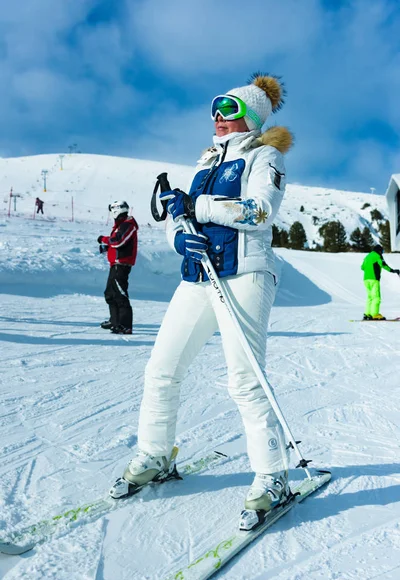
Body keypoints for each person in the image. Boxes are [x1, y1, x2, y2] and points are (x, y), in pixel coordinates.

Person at [109, 73, 294, 513]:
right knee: (161, 369)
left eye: (229, 110)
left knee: (244, 379)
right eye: (215, 109)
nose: (218, 117)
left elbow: (260, 211)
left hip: (245, 271)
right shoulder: (206, 161)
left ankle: (273, 475)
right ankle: (156, 454)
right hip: (197, 274)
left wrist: (198, 207)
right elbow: (184, 217)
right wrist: (179, 234)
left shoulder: (265, 155)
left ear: (250, 116)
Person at [98, 201, 138, 334]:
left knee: (120, 294)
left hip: (121, 265)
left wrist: (104, 239)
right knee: (110, 294)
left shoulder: (128, 225)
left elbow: (118, 240)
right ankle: (115, 321)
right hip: (115, 264)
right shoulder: (121, 225)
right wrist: (107, 248)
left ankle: (125, 325)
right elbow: (117, 242)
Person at [361, 244, 399, 320]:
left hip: (366, 279)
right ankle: (374, 314)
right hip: (374, 279)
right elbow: (383, 264)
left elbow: (362, 267)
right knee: (376, 297)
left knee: (370, 297)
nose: (382, 253)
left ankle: (367, 314)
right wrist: (393, 270)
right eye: (382, 251)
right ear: (379, 250)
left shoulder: (367, 256)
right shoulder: (377, 256)